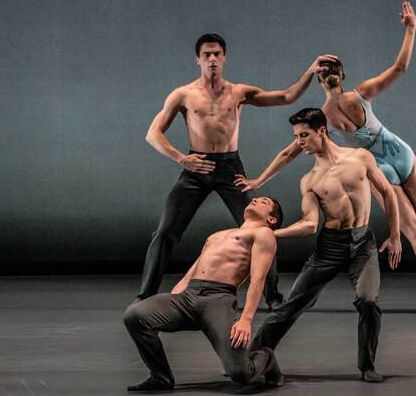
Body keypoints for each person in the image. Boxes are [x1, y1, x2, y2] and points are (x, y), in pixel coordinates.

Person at [236, 2, 416, 313]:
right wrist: (260, 179)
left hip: (403, 157)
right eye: (324, 70)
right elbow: (289, 151)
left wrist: (410, 29)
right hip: (380, 171)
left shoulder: (361, 93)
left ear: (343, 75)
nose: (330, 73)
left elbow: (399, 68)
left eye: (334, 69)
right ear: (318, 79)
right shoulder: (319, 121)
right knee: (414, 230)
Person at [139, 32, 337, 309]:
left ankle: (273, 297)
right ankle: (145, 296)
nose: (212, 59)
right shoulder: (183, 95)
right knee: (165, 233)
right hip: (196, 167)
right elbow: (153, 134)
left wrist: (310, 71)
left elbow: (287, 96)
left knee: (262, 231)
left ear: (224, 58)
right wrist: (183, 159)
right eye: (206, 55)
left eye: (217, 54)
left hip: (230, 168)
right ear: (198, 59)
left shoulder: (238, 92)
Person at [249, 108, 401, 383]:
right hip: (329, 247)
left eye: (304, 135)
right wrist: (273, 233)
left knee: (367, 301)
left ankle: (367, 366)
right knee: (292, 304)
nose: (299, 142)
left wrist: (395, 235)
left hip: (363, 243)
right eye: (296, 137)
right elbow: (309, 224)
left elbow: (388, 192)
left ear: (321, 131)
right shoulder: (310, 180)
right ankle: (249, 356)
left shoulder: (360, 158)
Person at [124, 197, 286, 391]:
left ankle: (267, 357)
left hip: (217, 299)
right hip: (188, 295)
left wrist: (246, 319)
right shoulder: (216, 235)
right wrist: (172, 299)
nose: (256, 199)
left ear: (272, 219)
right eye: (256, 198)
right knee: (134, 315)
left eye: (264, 201)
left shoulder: (264, 233)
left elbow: (258, 278)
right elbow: (191, 273)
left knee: (240, 373)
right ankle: (161, 378)